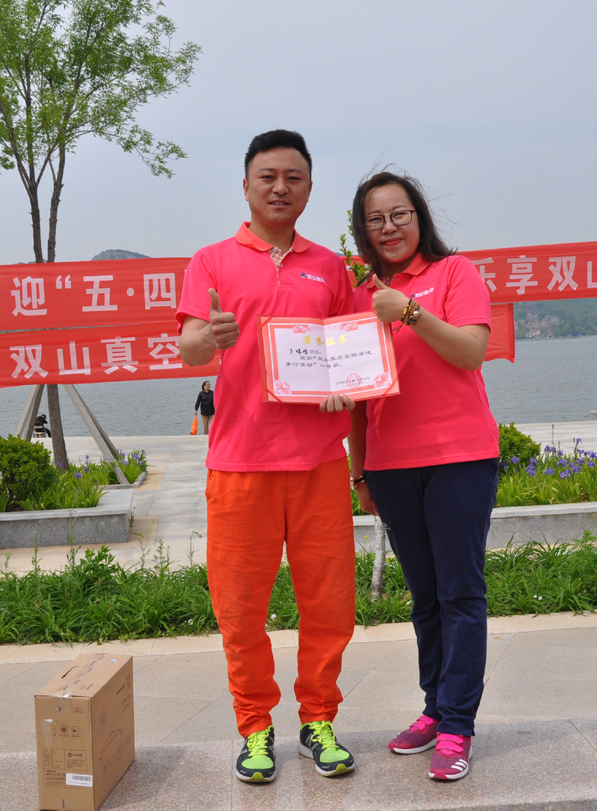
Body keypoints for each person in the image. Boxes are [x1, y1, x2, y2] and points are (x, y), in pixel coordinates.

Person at [178, 129, 359, 784]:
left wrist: (347, 387)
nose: (280, 187)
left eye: (293, 177)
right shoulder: (211, 261)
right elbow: (189, 349)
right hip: (240, 464)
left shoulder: (330, 267)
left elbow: (350, 351)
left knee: (329, 605)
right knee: (239, 609)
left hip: (318, 462)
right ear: (247, 185)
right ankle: (255, 725)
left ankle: (318, 719)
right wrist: (210, 333)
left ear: (308, 187)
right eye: (268, 176)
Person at [346, 171, 500, 782]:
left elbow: (469, 352)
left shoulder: (455, 273)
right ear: (363, 229)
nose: (388, 227)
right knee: (426, 597)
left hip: (460, 459)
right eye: (376, 218)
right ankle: (436, 707)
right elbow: (356, 398)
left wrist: (409, 311)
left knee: (460, 593)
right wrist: (359, 474)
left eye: (399, 214)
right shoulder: (359, 294)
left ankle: (458, 725)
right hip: (390, 467)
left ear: (419, 217)